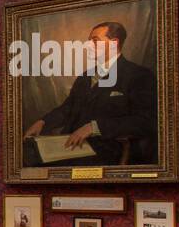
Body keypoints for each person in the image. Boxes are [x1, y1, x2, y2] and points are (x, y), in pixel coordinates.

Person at [23, 21, 156, 166]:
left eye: (95, 41)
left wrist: (95, 127)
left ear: (114, 43)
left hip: (106, 151)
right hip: (70, 147)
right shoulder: (85, 77)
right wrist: (43, 122)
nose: (88, 46)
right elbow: (67, 108)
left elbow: (145, 121)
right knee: (30, 156)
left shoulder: (138, 75)